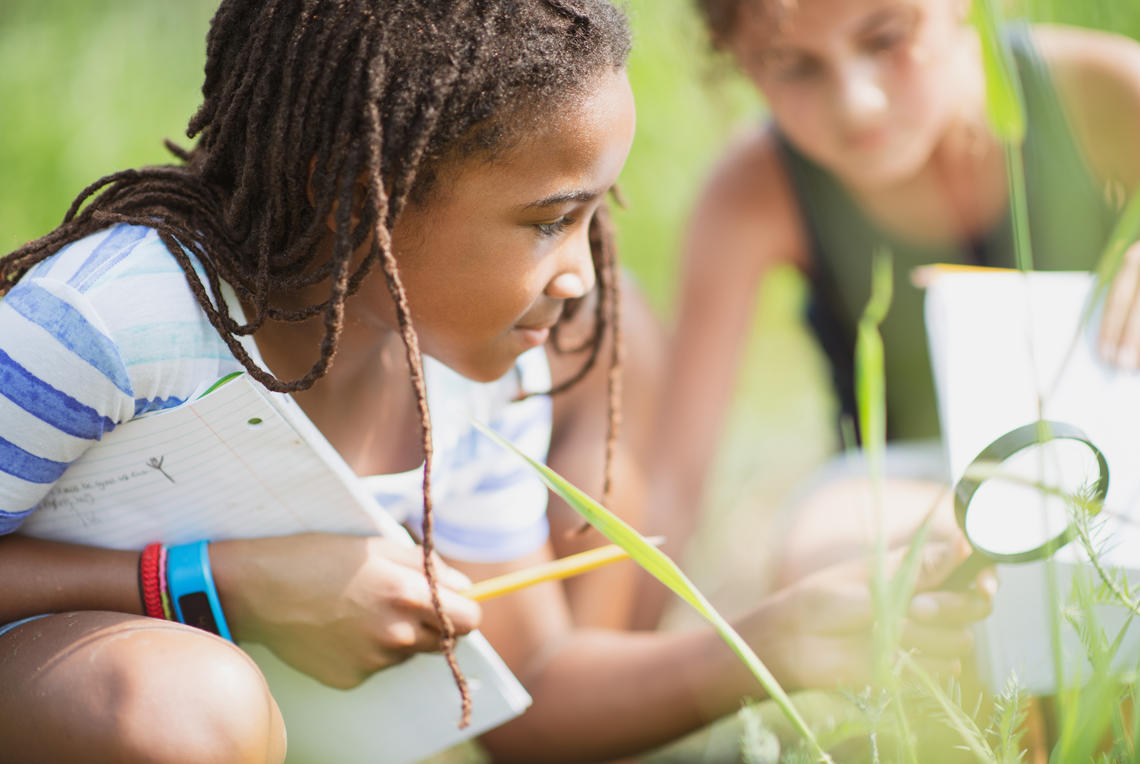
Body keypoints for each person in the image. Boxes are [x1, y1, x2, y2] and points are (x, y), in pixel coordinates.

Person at [0, 1, 988, 761]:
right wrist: (222, 582)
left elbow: (530, 688)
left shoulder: (461, 370)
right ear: (356, 191)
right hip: (89, 686)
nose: (584, 275)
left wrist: (782, 636)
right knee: (183, 704)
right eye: (549, 219)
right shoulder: (112, 318)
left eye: (595, 217)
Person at [635, 0, 1140, 628]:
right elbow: (672, 482)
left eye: (886, 39)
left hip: (1121, 450)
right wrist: (602, 684)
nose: (858, 103)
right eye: (795, 67)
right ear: (737, 62)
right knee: (826, 544)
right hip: (929, 495)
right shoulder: (753, 191)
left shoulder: (1104, 90)